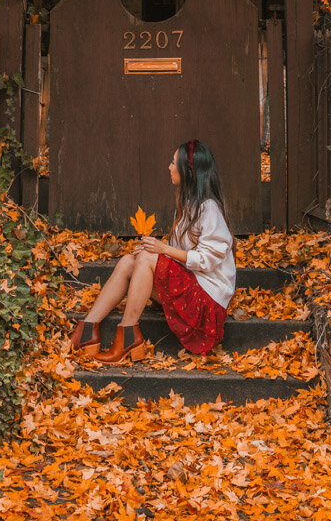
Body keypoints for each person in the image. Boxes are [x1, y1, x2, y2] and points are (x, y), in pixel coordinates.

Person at [69, 139, 236, 364]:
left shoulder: (208, 209)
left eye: (173, 162)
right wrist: (153, 252)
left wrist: (162, 250)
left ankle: (128, 333)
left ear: (188, 171)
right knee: (131, 260)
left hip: (206, 305)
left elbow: (206, 260)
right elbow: (178, 261)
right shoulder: (188, 206)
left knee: (148, 258)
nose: (169, 167)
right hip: (192, 288)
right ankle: (88, 329)